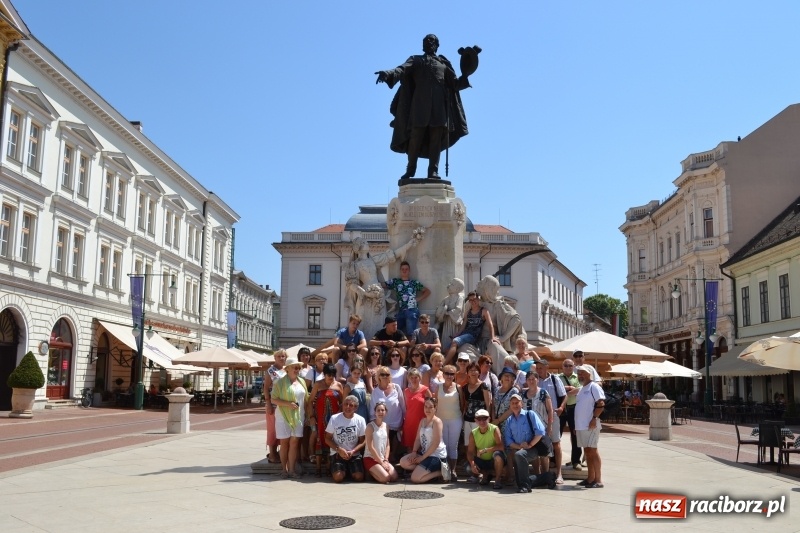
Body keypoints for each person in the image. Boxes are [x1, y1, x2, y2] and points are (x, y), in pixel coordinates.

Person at [375, 34, 472, 180]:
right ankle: (410, 170)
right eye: (426, 41)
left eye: (431, 41)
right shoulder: (416, 60)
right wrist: (388, 74)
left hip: (439, 109)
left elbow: (455, 84)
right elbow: (401, 69)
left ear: (437, 45)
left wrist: (466, 75)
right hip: (418, 108)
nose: (428, 42)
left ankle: (433, 171)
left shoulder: (443, 64)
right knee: (415, 140)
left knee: (436, 141)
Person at [343, 236, 422, 340]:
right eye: (364, 242)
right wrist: (361, 291)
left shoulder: (373, 261)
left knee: (379, 322)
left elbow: (391, 256)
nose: (367, 243)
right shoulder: (355, 265)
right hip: (365, 295)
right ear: (359, 247)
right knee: (364, 321)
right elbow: (351, 283)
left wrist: (407, 246)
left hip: (378, 295)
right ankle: (364, 344)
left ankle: (378, 347)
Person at [503, 394, 555, 493]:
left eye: (517, 402)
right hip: (520, 448)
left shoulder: (530, 414)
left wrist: (529, 445)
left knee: (519, 455)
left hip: (535, 447)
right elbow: (509, 441)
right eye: (512, 403)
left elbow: (540, 432)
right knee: (518, 456)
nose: (515, 405)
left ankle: (525, 486)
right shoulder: (509, 420)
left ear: (521, 403)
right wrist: (519, 447)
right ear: (510, 405)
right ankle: (547, 477)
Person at [272, 357, 307, 478]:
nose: (297, 369)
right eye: (294, 367)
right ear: (287, 369)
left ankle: (292, 470)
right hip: (283, 416)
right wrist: (288, 404)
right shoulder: (280, 382)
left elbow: (305, 399)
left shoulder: (302, 381)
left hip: (298, 416)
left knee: (294, 442)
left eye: (298, 367)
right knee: (284, 442)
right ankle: (284, 469)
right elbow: (273, 398)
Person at [399, 397, 449, 482]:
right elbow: (418, 439)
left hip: (436, 456)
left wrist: (422, 458)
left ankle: (440, 473)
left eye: (430, 407)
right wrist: (414, 452)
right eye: (426, 406)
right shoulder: (423, 421)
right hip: (424, 453)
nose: (428, 409)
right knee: (403, 462)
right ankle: (421, 470)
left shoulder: (437, 422)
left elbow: (436, 443)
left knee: (415, 478)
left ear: (435, 408)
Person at [307, 363, 344, 477]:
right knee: (320, 439)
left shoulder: (338, 385)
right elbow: (310, 402)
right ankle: (318, 468)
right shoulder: (318, 384)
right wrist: (311, 417)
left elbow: (342, 403)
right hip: (320, 418)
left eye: (333, 375)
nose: (331, 377)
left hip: (334, 419)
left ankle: (329, 467)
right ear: (324, 374)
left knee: (331, 441)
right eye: (328, 375)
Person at [535, 358, 566, 485]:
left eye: (541, 368)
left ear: (547, 367)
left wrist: (562, 408)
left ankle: (559, 473)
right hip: (537, 417)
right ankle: (543, 473)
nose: (538, 370)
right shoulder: (534, 380)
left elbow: (564, 395)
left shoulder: (555, 379)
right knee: (540, 444)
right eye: (537, 368)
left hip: (552, 415)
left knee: (556, 443)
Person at [574, 365, 605, 489]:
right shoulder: (582, 388)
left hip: (591, 425)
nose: (580, 375)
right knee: (587, 451)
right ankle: (590, 478)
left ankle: (598, 480)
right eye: (579, 373)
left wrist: (594, 419)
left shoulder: (594, 387)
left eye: (583, 373)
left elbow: (601, 403)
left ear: (589, 374)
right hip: (581, 426)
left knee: (593, 450)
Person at [325, 395, 367, 483]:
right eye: (346, 404)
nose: (348, 407)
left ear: (356, 407)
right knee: (338, 478)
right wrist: (338, 449)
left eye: (351, 405)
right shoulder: (334, 418)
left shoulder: (360, 420)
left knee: (359, 477)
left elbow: (363, 441)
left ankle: (348, 470)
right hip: (338, 453)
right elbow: (327, 439)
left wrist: (353, 451)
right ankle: (339, 469)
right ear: (342, 405)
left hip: (354, 454)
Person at [446, 292, 495, 364]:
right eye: (470, 300)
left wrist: (492, 337)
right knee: (447, 348)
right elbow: (463, 325)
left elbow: (490, 324)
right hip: (465, 334)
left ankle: (443, 364)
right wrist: (457, 334)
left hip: (473, 336)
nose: (473, 301)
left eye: (474, 299)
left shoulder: (484, 311)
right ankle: (449, 367)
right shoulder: (468, 312)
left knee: (455, 342)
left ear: (478, 299)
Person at [369, 365, 406, 463]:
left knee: (394, 449)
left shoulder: (396, 388)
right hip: (382, 424)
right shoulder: (375, 392)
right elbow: (372, 409)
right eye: (382, 374)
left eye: (387, 374)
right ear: (378, 376)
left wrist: (405, 419)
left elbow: (402, 405)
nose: (385, 376)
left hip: (396, 422)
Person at [385, 261, 431, 337]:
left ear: (409, 271)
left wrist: (418, 299)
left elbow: (428, 291)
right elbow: (383, 284)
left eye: (406, 269)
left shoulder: (414, 282)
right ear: (400, 270)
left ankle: (411, 348)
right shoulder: (396, 282)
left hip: (412, 310)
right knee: (395, 331)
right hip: (401, 311)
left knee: (410, 333)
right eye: (402, 269)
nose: (404, 270)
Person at [521, 369, 553, 476]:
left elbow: (550, 410)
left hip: (542, 428)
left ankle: (546, 475)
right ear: (526, 381)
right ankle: (537, 475)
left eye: (533, 379)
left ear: (537, 380)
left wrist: (549, 426)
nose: (531, 381)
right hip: (529, 429)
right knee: (533, 453)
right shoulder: (523, 394)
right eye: (529, 379)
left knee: (544, 453)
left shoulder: (543, 393)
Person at [467, 408, 506, 488]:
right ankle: (486, 475)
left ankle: (497, 480)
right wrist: (472, 464)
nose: (482, 421)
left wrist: (486, 450)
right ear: (475, 420)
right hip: (482, 460)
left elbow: (501, 446)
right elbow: (470, 452)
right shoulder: (473, 433)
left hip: (493, 460)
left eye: (484, 418)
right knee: (468, 468)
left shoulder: (494, 429)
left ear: (489, 419)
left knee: (498, 456)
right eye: (479, 419)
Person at [437, 364, 463, 481]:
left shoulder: (458, 388)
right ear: (442, 374)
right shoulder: (437, 387)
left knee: (453, 445)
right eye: (447, 373)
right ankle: (445, 470)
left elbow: (463, 404)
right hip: (440, 420)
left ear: (454, 375)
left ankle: (453, 470)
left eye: (451, 373)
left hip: (455, 419)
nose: (449, 376)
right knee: (443, 446)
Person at [461, 362, 492, 456]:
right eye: (471, 370)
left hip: (480, 419)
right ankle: (470, 462)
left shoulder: (484, 386)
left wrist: (488, 418)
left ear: (479, 372)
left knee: (479, 442)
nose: (473, 372)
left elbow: (488, 403)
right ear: (468, 373)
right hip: (467, 419)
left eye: (475, 370)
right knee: (467, 442)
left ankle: (479, 462)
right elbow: (465, 404)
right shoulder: (465, 387)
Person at [364, 401, 398, 484]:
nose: (380, 412)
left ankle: (379, 471)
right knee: (386, 478)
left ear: (386, 412)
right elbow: (370, 447)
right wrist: (381, 463)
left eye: (382, 410)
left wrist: (386, 460)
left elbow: (387, 445)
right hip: (371, 458)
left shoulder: (386, 426)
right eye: (378, 410)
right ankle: (371, 472)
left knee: (394, 477)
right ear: (375, 412)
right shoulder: (370, 426)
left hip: (383, 458)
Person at [559, 358, 583, 471]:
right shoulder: (558, 377)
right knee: (557, 434)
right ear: (562, 366)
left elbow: (580, 389)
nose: (568, 367)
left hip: (574, 408)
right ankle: (554, 459)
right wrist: (569, 389)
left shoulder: (577, 377)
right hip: (561, 408)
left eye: (570, 365)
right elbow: (556, 389)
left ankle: (576, 461)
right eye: (566, 365)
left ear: (573, 366)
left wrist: (564, 391)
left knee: (575, 435)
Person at [264, 349, 287, 463]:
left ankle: (280, 453)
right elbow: (266, 388)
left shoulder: (287, 369)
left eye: (283, 356)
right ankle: (272, 454)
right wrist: (268, 403)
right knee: (272, 429)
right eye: (279, 356)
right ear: (275, 358)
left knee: (282, 428)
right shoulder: (271, 371)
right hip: (273, 404)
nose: (282, 358)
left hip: (284, 404)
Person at [402, 368, 433, 450]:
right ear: (408, 379)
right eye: (411, 377)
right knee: (409, 443)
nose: (414, 379)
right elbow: (405, 406)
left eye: (416, 377)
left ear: (419, 378)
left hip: (422, 420)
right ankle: (410, 461)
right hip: (409, 420)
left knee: (421, 442)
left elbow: (432, 405)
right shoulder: (406, 391)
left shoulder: (425, 390)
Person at [435, 278, 464, 344]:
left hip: (454, 322)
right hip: (447, 322)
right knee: (446, 336)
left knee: (454, 336)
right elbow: (440, 307)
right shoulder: (446, 299)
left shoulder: (460, 298)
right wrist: (442, 310)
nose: (449, 285)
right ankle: (445, 350)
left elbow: (458, 309)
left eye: (452, 284)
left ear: (457, 289)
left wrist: (448, 312)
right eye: (450, 283)